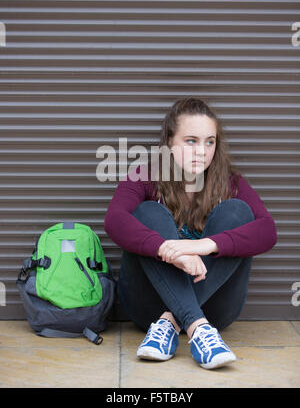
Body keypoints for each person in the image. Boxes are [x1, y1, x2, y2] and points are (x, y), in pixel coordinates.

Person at [104, 98, 277, 370]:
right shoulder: (146, 176)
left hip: (214, 307)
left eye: (210, 141)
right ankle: (198, 329)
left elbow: (267, 230)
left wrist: (205, 246)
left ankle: (173, 322)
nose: (202, 151)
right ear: (170, 142)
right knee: (149, 213)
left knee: (238, 213)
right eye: (191, 141)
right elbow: (114, 220)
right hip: (147, 308)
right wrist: (166, 250)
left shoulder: (229, 182)